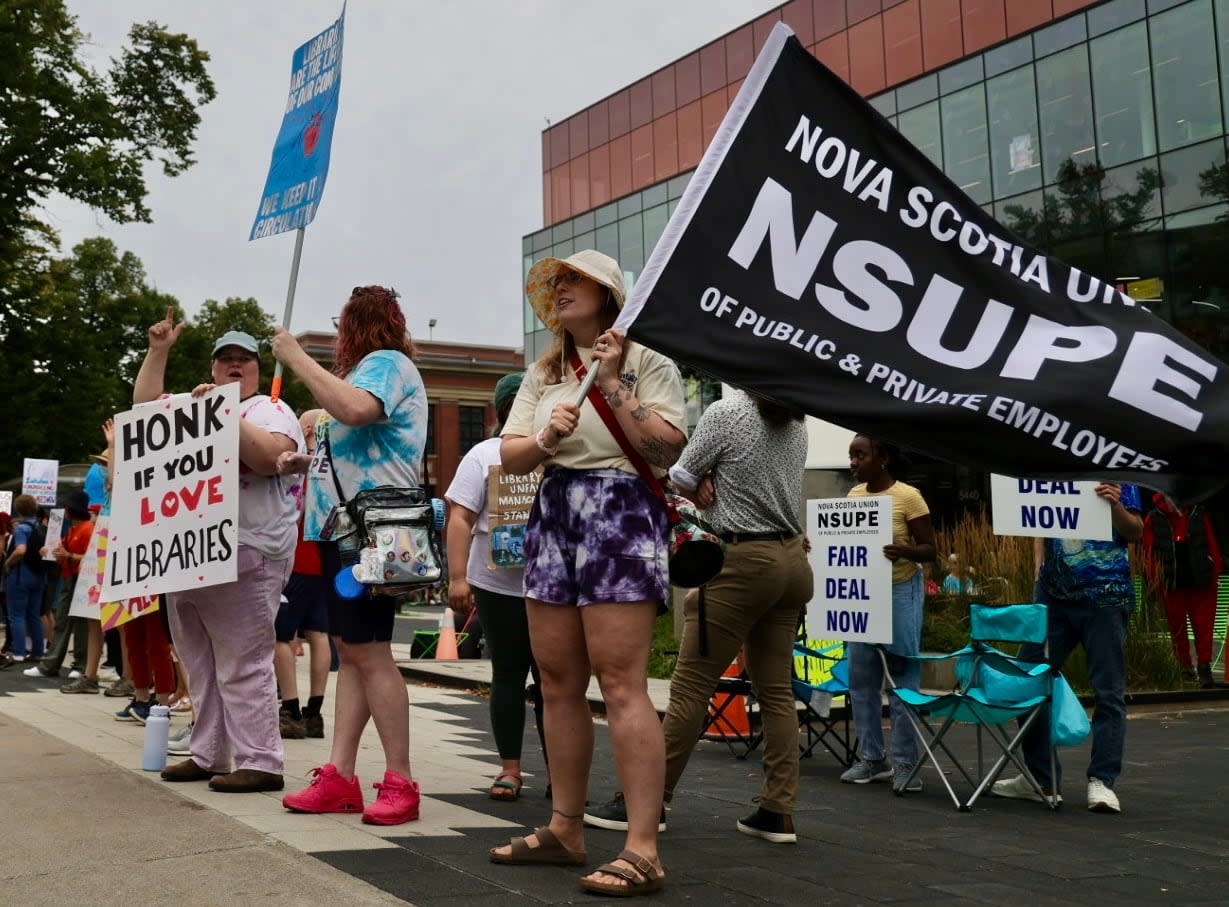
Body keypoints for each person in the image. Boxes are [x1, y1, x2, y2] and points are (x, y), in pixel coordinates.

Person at [490, 250, 685, 898]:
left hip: (618, 507)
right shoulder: (541, 372)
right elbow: (512, 457)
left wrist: (612, 385)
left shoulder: (646, 360)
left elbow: (665, 448)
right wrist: (547, 437)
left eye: (575, 279)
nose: (562, 288)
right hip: (553, 511)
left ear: (608, 294)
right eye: (558, 282)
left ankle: (641, 846)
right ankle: (565, 828)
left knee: (621, 679)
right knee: (555, 679)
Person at [585, 390, 812, 843]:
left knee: (691, 687)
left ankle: (648, 801)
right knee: (776, 692)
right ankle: (777, 810)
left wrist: (702, 479)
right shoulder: (796, 421)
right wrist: (707, 477)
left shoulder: (727, 412)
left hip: (742, 559)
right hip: (790, 560)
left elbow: (677, 476)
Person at [273, 285, 427, 826]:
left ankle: (400, 780)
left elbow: (356, 411)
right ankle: (340, 775)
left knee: (369, 651)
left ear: (352, 329)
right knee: (355, 649)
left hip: (371, 533)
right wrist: (305, 461)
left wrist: (296, 359)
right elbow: (355, 436)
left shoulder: (384, 365)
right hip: (352, 532)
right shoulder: (377, 370)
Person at [134, 313, 305, 793]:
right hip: (187, 550)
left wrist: (221, 414)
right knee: (198, 660)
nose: (235, 366)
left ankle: (261, 760)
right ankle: (210, 753)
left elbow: (269, 457)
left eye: (244, 360)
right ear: (213, 369)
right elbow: (144, 409)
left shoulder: (271, 409)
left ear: (257, 369)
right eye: (226, 359)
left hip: (246, 549)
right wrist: (158, 350)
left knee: (243, 659)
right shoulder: (195, 404)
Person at [994, 482, 1143, 814]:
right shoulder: (1052, 467)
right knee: (1027, 680)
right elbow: (1039, 524)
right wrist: (1038, 574)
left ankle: (1102, 781)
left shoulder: (1115, 471)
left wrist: (1115, 506)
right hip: (1054, 596)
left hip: (1106, 597)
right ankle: (1042, 777)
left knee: (1108, 691)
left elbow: (1135, 531)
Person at [445, 372, 547, 801]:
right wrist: (457, 577)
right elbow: (460, 517)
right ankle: (510, 768)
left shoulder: (558, 452)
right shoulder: (484, 455)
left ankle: (562, 772)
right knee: (508, 674)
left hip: (551, 587)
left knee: (554, 682)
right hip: (497, 587)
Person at [839, 434, 937, 794]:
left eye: (859, 455)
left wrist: (905, 552)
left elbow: (931, 551)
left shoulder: (908, 497)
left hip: (899, 591)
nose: (852, 462)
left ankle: (906, 763)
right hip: (863, 594)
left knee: (901, 677)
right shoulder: (853, 498)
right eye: (851, 455)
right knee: (861, 679)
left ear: (882, 458)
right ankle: (872, 758)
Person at [275, 409, 332, 740]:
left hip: (297, 557)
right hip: (324, 560)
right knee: (318, 632)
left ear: (307, 428)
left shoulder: (303, 465)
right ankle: (315, 710)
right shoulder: (331, 464)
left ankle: (291, 709)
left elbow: (294, 509)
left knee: (282, 634)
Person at [1141, 494, 1224, 689]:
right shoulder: (1153, 518)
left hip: (1200, 578)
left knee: (1204, 626)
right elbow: (1148, 551)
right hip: (1171, 582)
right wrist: (1156, 580)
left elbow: (1210, 541)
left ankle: (1204, 669)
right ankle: (1184, 669)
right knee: (1177, 628)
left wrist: (1216, 571)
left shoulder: (1198, 512)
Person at [24, 490, 94, 678]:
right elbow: (63, 552)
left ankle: (76, 665)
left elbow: (93, 557)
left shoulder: (87, 529)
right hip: (71, 578)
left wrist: (67, 556)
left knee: (78, 623)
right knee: (65, 620)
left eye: (67, 507)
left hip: (80, 579)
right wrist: (51, 552)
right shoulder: (74, 529)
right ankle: (64, 665)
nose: (64, 510)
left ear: (72, 509)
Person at [1, 494, 49, 668]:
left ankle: (19, 653)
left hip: (21, 577)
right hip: (39, 577)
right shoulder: (40, 527)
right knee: (34, 615)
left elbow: (21, 550)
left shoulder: (21, 529)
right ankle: (38, 652)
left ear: (18, 510)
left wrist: (8, 563)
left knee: (17, 616)